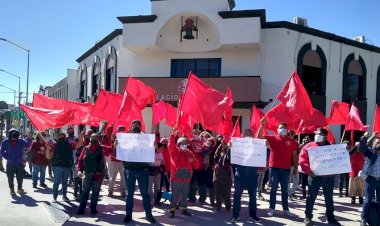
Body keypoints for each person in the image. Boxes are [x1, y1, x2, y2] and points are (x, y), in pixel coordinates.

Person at [299, 128, 341, 226]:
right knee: (311, 197)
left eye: (319, 134)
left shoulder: (331, 147)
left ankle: (331, 218)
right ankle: (308, 217)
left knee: (329, 198)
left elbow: (338, 161)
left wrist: (343, 151)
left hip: (329, 178)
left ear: (325, 137)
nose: (316, 135)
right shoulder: (309, 146)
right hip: (314, 176)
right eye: (316, 134)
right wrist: (308, 171)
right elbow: (302, 159)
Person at [258, 119, 298, 218]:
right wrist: (262, 125)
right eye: (281, 128)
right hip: (274, 168)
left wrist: (296, 167)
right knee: (273, 189)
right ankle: (271, 208)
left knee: (285, 190)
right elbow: (259, 136)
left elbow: (294, 155)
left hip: (286, 169)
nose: (283, 129)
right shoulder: (273, 138)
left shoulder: (291, 141)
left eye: (284, 128)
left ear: (287, 129)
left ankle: (286, 209)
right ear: (277, 129)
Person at [123, 120, 157, 224]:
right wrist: (116, 145)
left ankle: (148, 214)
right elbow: (118, 154)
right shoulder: (125, 138)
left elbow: (150, 153)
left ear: (141, 127)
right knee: (129, 194)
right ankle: (128, 214)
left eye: (138, 126)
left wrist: (153, 147)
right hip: (130, 170)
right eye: (135, 125)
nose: (137, 127)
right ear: (131, 126)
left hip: (143, 170)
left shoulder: (146, 139)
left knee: (145, 193)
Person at [231, 129, 261, 223]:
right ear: (242, 135)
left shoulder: (258, 145)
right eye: (246, 133)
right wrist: (230, 147)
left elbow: (264, 157)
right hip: (240, 173)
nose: (248, 135)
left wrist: (266, 147)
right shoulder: (236, 145)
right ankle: (235, 215)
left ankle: (252, 214)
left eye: (251, 133)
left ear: (253, 135)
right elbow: (230, 158)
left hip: (252, 174)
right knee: (237, 194)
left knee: (252, 195)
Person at [168, 131, 198, 218]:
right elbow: (170, 145)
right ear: (178, 144)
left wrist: (193, 161)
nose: (184, 145)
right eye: (182, 143)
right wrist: (173, 135)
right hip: (176, 179)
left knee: (185, 196)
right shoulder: (175, 152)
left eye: (186, 143)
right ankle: (172, 211)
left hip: (186, 179)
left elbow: (196, 165)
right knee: (175, 196)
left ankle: (184, 210)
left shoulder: (189, 152)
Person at [77, 133, 107, 215]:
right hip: (86, 174)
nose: (93, 139)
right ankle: (81, 208)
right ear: (89, 139)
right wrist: (79, 170)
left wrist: (115, 144)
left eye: (95, 138)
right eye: (92, 137)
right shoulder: (85, 149)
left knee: (95, 192)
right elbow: (80, 161)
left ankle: (93, 209)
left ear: (98, 139)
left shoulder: (101, 149)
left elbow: (111, 150)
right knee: (84, 192)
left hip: (98, 175)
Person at [359, 134, 380, 226]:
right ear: (373, 144)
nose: (379, 144)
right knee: (368, 200)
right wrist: (366, 137)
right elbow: (362, 147)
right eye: (378, 142)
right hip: (371, 180)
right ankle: (363, 219)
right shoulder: (370, 152)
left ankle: (378, 218)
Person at [0, 128, 28, 194]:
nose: (14, 138)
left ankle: (19, 189)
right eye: (12, 137)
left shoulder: (20, 141)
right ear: (9, 135)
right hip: (10, 163)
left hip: (19, 163)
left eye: (15, 137)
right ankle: (11, 189)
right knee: (10, 177)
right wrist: (8, 157)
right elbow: (1, 152)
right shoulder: (5, 142)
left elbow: (27, 145)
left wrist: (29, 138)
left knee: (20, 177)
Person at [52, 132, 74, 202]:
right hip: (57, 166)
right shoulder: (54, 145)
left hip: (67, 166)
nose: (62, 138)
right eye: (60, 136)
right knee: (56, 182)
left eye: (63, 136)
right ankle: (55, 196)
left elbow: (77, 145)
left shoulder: (69, 145)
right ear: (58, 138)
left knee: (65, 182)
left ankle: (64, 195)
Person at [188, 129, 208, 204]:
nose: (196, 134)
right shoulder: (189, 142)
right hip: (192, 167)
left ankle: (202, 198)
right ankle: (191, 198)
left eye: (197, 133)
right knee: (193, 184)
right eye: (195, 133)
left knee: (202, 184)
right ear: (192, 133)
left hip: (201, 167)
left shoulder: (202, 142)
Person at [107, 125, 126, 198]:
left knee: (123, 177)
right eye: (121, 130)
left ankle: (123, 191)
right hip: (114, 160)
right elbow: (110, 148)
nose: (122, 131)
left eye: (123, 130)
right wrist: (114, 144)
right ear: (118, 130)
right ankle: (110, 191)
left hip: (122, 161)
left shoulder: (126, 139)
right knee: (113, 177)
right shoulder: (113, 137)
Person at [213, 139, 232, 211]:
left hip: (226, 176)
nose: (223, 145)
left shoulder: (229, 153)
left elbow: (228, 162)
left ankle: (228, 206)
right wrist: (221, 146)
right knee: (217, 192)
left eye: (225, 144)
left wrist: (229, 148)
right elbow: (215, 157)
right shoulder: (219, 152)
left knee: (226, 193)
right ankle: (218, 206)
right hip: (218, 175)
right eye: (222, 144)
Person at [149, 141, 165, 206]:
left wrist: (162, 165)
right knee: (149, 187)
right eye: (161, 148)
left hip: (157, 171)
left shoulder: (161, 154)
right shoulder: (151, 153)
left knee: (157, 187)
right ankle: (150, 199)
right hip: (150, 171)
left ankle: (156, 200)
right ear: (157, 148)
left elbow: (162, 163)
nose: (162, 150)